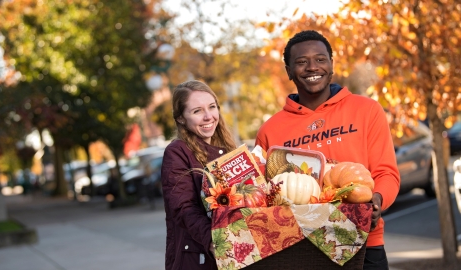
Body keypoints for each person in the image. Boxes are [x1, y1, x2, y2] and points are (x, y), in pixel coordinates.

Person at [255, 30, 400, 270]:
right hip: (299, 247)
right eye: (301, 62)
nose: (312, 67)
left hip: (363, 241)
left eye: (320, 59)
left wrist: (376, 201)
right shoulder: (270, 130)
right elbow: (263, 194)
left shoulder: (367, 110)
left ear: (331, 65)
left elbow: (387, 173)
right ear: (289, 71)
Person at [161, 80, 237, 269]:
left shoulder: (227, 150)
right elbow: (183, 208)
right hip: (198, 257)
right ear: (180, 118)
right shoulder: (177, 152)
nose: (208, 116)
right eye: (197, 111)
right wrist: (214, 240)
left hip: (233, 250)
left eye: (212, 107)